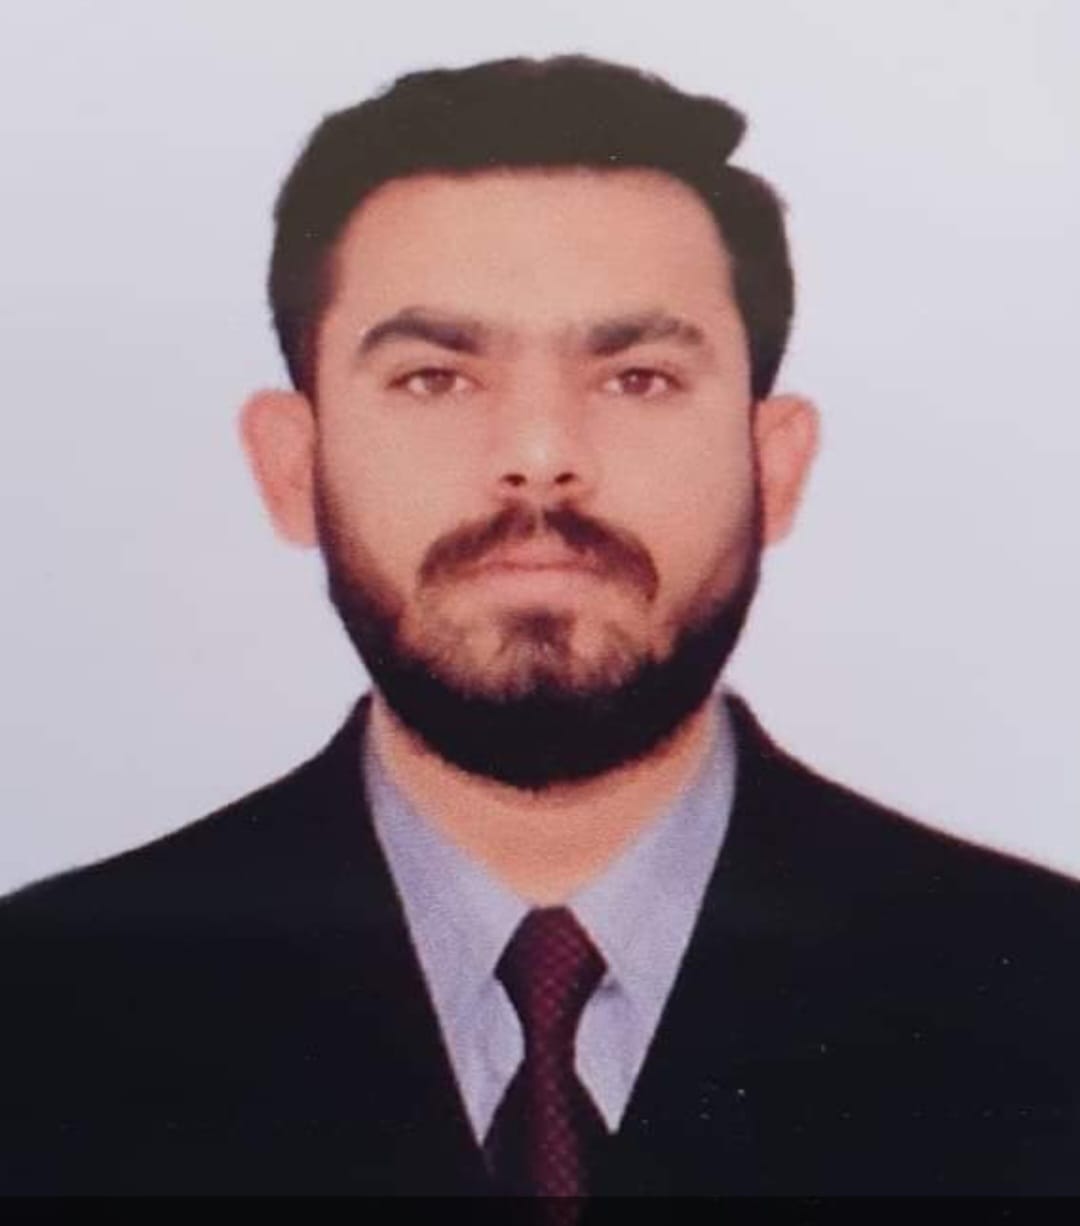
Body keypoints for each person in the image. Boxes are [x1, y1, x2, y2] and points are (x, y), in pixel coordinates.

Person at [3, 55, 1079, 1200]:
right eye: (435, 378)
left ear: (776, 464)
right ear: (291, 465)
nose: (539, 453)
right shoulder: (41, 1013)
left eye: (638, 378)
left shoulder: (1044, 996)